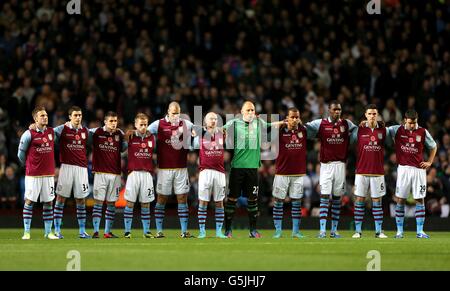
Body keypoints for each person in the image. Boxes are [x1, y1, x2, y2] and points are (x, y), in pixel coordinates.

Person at [223, 101, 285, 238]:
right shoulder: (234, 123)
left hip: (252, 168)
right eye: (248, 110)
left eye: (253, 110)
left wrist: (282, 123)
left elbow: (269, 126)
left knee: (253, 200)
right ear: (242, 111)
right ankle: (228, 230)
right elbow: (221, 129)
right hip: (237, 168)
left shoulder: (258, 122)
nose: (251, 112)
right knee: (232, 199)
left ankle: (253, 230)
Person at [305, 101, 357, 238]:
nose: (337, 112)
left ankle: (334, 230)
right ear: (329, 110)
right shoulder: (321, 123)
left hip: (340, 165)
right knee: (324, 197)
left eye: (339, 109)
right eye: (335, 109)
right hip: (326, 166)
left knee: (337, 198)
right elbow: (307, 127)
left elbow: (357, 131)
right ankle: (322, 230)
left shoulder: (346, 124)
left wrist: (354, 136)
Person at [387, 110, 437, 239]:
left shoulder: (423, 131)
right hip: (403, 169)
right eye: (410, 123)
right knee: (400, 199)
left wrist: (430, 162)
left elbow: (433, 146)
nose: (412, 125)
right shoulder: (396, 130)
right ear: (405, 120)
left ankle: (420, 231)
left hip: (418, 170)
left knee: (419, 199)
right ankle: (399, 231)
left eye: (414, 123)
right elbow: (382, 130)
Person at [148, 102, 195, 238]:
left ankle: (184, 231)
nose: (175, 116)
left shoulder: (185, 123)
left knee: (182, 198)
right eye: (173, 113)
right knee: (162, 198)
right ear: (168, 112)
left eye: (178, 113)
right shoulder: (158, 124)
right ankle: (159, 231)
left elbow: (200, 130)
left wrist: (196, 132)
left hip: (181, 168)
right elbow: (145, 132)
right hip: (164, 168)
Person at [17, 106, 58, 239]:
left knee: (48, 202)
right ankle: (27, 232)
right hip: (33, 174)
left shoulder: (52, 132)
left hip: (49, 174)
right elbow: (20, 154)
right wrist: (28, 164)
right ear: (35, 118)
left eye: (46, 115)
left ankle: (48, 232)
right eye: (42, 115)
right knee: (29, 201)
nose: (45, 117)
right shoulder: (28, 134)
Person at [350, 104, 389, 239]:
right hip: (361, 170)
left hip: (377, 171)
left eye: (374, 114)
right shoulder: (359, 129)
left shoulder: (383, 130)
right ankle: (358, 231)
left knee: (377, 201)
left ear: (377, 115)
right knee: (359, 199)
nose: (372, 116)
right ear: (365, 115)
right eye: (370, 114)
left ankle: (379, 231)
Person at [53, 106, 91, 239]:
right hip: (67, 167)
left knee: (81, 199)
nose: (78, 117)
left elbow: (99, 133)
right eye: (75, 115)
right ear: (70, 117)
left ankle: (82, 230)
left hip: (81, 169)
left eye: (80, 115)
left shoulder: (85, 131)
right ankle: (57, 230)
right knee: (60, 198)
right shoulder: (62, 129)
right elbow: (48, 133)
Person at [90, 111, 127, 238]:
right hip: (100, 173)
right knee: (98, 202)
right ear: (105, 121)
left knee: (111, 203)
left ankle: (107, 232)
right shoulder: (96, 132)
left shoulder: (120, 134)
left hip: (115, 173)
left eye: (115, 121)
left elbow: (124, 147)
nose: (113, 123)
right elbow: (82, 131)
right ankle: (95, 231)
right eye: (111, 121)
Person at [272, 108, 307, 239]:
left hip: (298, 173)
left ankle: (296, 231)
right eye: (292, 117)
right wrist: (281, 123)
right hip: (282, 172)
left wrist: (301, 123)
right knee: (278, 201)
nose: (294, 120)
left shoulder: (303, 130)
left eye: (296, 117)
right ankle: (278, 231)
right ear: (287, 117)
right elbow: (267, 131)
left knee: (297, 202)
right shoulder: (280, 131)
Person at [192, 112, 227, 239]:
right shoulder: (200, 132)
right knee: (203, 202)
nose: (213, 120)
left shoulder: (222, 133)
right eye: (211, 119)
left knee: (219, 202)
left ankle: (218, 231)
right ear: (205, 122)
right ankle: (202, 231)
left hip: (219, 172)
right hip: (205, 172)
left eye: (215, 119)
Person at [123, 113, 156, 238]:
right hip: (133, 174)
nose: (143, 127)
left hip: (147, 174)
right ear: (135, 125)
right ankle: (127, 231)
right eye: (140, 124)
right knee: (130, 203)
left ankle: (146, 231)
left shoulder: (151, 138)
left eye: (145, 124)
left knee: (146, 204)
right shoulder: (130, 136)